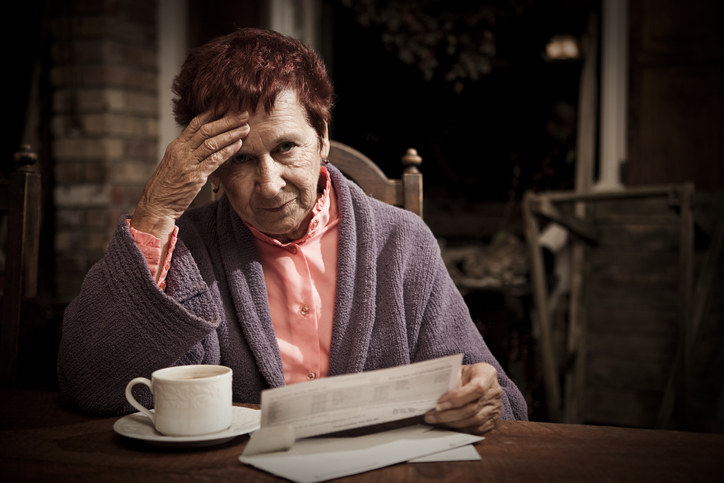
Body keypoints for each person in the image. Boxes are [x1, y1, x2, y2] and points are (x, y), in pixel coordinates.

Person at [58, 28, 527, 434]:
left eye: (286, 147)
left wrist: (483, 401)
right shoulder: (185, 253)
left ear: (322, 137)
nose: (268, 184)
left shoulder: (403, 242)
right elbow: (91, 384)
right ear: (212, 167)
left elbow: (505, 403)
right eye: (240, 158)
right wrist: (156, 210)